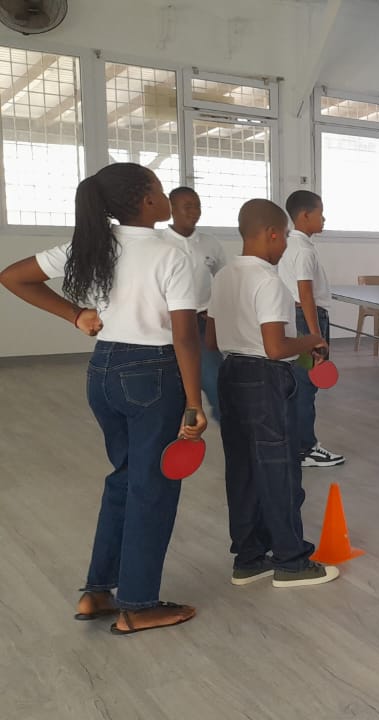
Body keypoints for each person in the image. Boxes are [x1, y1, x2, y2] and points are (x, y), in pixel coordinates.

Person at [0, 162, 206, 635]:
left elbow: (12, 276)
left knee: (125, 478)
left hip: (103, 371)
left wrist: (76, 315)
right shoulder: (171, 254)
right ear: (148, 201)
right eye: (160, 190)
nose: (166, 198)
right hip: (153, 374)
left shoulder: (91, 245)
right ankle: (138, 605)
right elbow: (185, 337)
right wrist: (194, 403)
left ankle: (98, 591)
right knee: (152, 488)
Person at [205, 199, 338, 587]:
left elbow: (210, 340)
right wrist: (311, 339)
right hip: (264, 380)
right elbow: (276, 348)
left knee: (242, 471)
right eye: (284, 239)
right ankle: (291, 560)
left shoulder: (222, 277)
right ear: (272, 234)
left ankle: (249, 558)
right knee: (279, 471)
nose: (285, 247)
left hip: (230, 374)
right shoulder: (269, 281)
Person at [278, 190, 344, 468]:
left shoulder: (286, 245)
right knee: (306, 385)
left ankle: (292, 443)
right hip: (306, 321)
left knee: (295, 385)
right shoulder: (304, 250)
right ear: (305, 216)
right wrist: (316, 337)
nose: (324, 218)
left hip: (291, 318)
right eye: (320, 213)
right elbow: (305, 294)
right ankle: (305, 448)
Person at [162, 187, 228, 422]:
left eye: (197, 205)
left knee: (216, 381)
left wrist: (217, 312)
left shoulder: (209, 243)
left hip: (200, 324)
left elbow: (224, 280)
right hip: (166, 325)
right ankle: (180, 433)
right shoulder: (159, 242)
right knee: (171, 387)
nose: (194, 211)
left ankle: (229, 427)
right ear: (171, 208)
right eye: (187, 206)